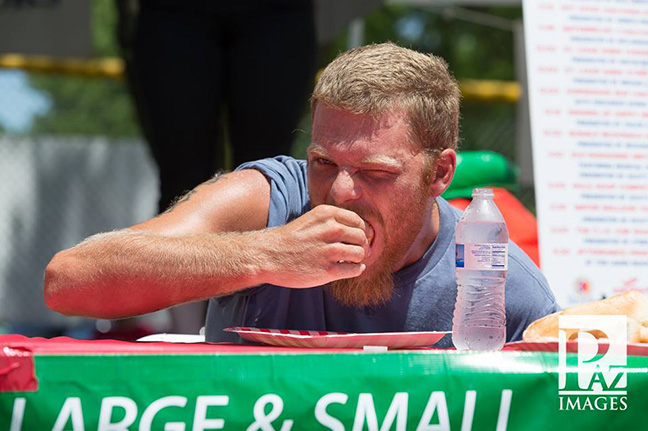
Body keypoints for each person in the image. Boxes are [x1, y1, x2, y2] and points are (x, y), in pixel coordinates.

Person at [43, 43, 559, 347]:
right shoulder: (273, 199)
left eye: (375, 171)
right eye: (323, 162)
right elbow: (69, 281)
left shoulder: (503, 289)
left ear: (440, 173)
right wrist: (265, 254)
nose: (339, 191)